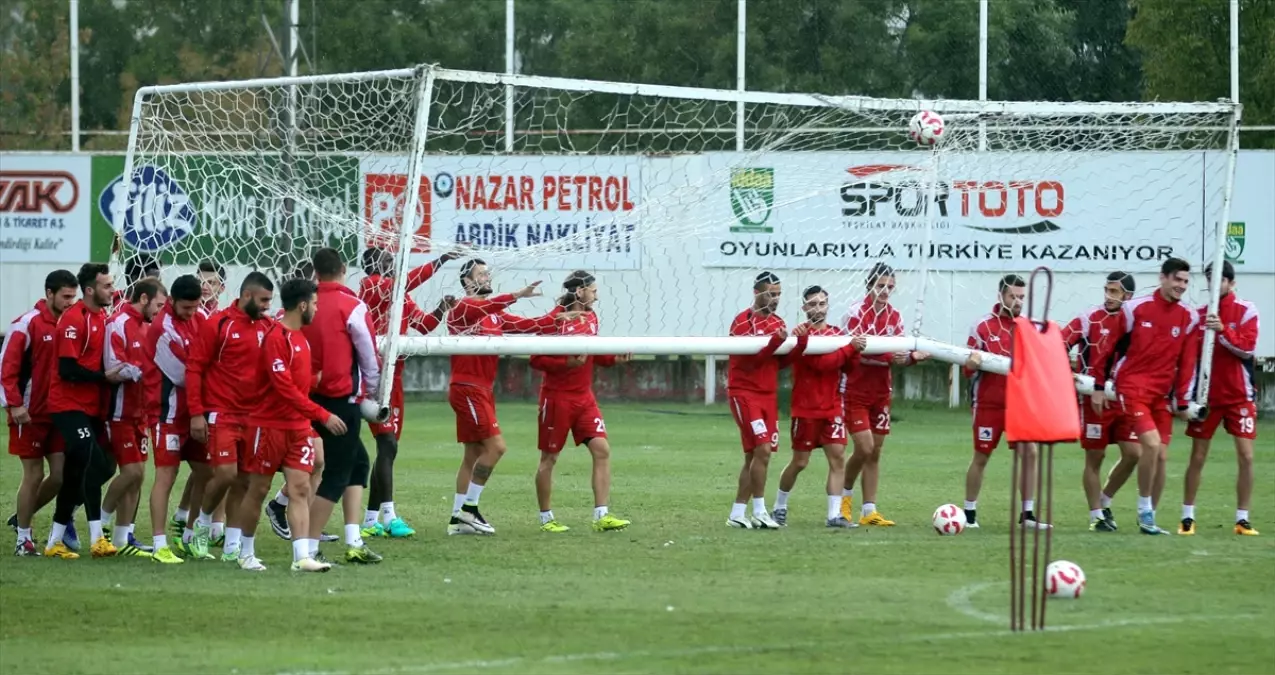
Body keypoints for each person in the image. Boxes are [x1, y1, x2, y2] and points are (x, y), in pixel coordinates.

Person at [445, 258, 565, 535]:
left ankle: (457, 520)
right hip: (467, 389)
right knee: (496, 448)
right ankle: (469, 509)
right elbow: (488, 304)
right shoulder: (463, 308)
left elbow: (533, 325)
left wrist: (562, 311)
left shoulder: (494, 315)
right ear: (467, 282)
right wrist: (516, 295)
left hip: (482, 391)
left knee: (473, 453)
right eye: (481, 274)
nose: (487, 278)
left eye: (488, 273)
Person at [238, 278, 345, 572]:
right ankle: (245, 552)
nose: (316, 308)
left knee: (299, 488)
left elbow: (299, 386)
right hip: (268, 425)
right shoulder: (276, 338)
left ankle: (301, 557)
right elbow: (284, 389)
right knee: (258, 489)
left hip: (297, 427)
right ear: (302, 305)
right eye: (314, 303)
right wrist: (323, 415)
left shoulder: (302, 338)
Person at [356, 246, 460, 539]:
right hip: (375, 377)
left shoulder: (400, 295)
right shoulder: (371, 286)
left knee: (388, 448)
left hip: (396, 376)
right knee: (387, 445)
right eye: (388, 261)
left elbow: (424, 326)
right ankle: (389, 515)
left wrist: (441, 308)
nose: (394, 265)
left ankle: (370, 520)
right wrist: (439, 261)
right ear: (373, 266)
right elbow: (406, 281)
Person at [1091, 257, 1199, 535]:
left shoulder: (1189, 317)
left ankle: (1142, 513)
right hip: (1132, 389)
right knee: (1149, 446)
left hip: (1161, 396)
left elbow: (1187, 362)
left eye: (1186, 281)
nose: (1181, 286)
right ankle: (1144, 512)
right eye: (1177, 279)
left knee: (1160, 457)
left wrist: (1183, 400)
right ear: (1162, 278)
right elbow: (1107, 349)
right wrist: (1100, 387)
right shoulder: (1134, 309)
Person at [528, 271, 632, 533]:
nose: (596, 296)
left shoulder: (592, 317)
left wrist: (613, 359)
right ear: (579, 291)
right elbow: (535, 359)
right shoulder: (555, 320)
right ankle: (546, 518)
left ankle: (602, 515)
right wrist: (566, 363)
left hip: (584, 398)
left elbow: (593, 354)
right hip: (557, 399)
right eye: (593, 291)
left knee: (602, 449)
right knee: (549, 459)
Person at [185, 272, 275, 560]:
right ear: (246, 295)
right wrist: (196, 414)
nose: (266, 307)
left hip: (255, 417)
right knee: (225, 474)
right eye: (263, 300)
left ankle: (232, 546)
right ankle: (201, 525)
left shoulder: (269, 327)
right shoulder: (219, 324)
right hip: (222, 414)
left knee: (245, 482)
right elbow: (195, 368)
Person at [302, 248, 383, 564]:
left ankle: (353, 539)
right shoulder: (352, 305)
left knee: (359, 463)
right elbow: (368, 353)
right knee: (336, 473)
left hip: (308, 397)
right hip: (341, 400)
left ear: (315, 272)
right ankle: (308, 546)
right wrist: (373, 392)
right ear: (343, 269)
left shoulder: (304, 304)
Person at [46, 263, 131, 559]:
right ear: (91, 290)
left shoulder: (100, 315)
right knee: (87, 460)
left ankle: (57, 539)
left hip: (92, 406)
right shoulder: (75, 318)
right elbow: (67, 369)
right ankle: (96, 536)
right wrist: (103, 377)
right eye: (107, 285)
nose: (112, 289)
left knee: (98, 468)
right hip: (67, 404)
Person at [839, 263, 927, 527]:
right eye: (880, 286)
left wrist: (911, 358)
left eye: (889, 287)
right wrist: (893, 356)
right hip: (855, 390)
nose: (885, 291)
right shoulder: (855, 313)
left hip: (881, 392)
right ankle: (843, 501)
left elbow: (897, 353)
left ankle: (869, 511)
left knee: (875, 452)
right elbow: (859, 350)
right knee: (863, 447)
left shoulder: (895, 317)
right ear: (869, 285)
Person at [772, 286, 865, 528]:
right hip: (806, 410)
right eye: (812, 304)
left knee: (838, 460)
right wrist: (850, 349)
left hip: (832, 409)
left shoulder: (837, 334)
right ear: (804, 308)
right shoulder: (800, 335)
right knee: (800, 462)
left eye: (822, 303)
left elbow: (848, 368)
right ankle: (779, 506)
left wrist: (854, 352)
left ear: (827, 306)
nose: (818, 308)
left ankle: (834, 515)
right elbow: (823, 364)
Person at [961, 274, 1049, 530]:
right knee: (982, 456)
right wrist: (971, 364)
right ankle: (969, 514)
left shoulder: (1028, 328)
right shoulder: (982, 326)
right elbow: (967, 369)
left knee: (1030, 452)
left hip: (1019, 405)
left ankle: (1027, 515)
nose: (1018, 301)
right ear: (1001, 295)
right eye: (1013, 296)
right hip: (988, 405)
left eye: (1022, 297)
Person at [1181, 261, 1259, 536]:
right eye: (1210, 279)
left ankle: (1242, 518)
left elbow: (1247, 349)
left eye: (1220, 280)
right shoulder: (1198, 316)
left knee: (1246, 457)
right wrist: (1186, 396)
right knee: (1198, 456)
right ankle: (1187, 517)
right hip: (1207, 398)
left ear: (1231, 282)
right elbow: (1189, 359)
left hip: (1239, 397)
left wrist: (1223, 330)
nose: (1215, 285)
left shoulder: (1246, 310)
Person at [3, 270, 78, 555]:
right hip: (29, 413)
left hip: (58, 413)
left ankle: (21, 517)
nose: (71, 302)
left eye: (74, 296)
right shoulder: (25, 324)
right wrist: (15, 405)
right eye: (65, 296)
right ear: (49, 293)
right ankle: (24, 537)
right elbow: (6, 369)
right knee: (33, 475)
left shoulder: (70, 323)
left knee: (59, 476)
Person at [1061, 271, 1138, 532]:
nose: (1108, 296)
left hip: (1123, 399)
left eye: (1114, 291)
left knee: (1134, 453)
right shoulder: (1089, 317)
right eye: (1107, 290)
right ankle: (1096, 516)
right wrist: (1071, 372)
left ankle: (1104, 502)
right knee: (1096, 457)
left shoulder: (1136, 322)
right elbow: (1061, 340)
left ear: (1128, 296)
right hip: (1093, 399)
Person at [726, 271, 803, 530]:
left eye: (779, 294)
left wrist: (800, 343)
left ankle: (737, 513)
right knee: (763, 450)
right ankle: (759, 510)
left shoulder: (778, 323)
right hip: (744, 393)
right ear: (757, 293)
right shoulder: (741, 323)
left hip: (767, 396)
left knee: (754, 457)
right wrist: (774, 343)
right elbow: (749, 364)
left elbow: (778, 363)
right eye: (771, 293)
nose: (776, 299)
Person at [100, 278, 166, 557]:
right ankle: (99, 525)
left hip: (142, 412)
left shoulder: (148, 326)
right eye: (159, 305)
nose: (161, 312)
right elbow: (111, 368)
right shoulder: (118, 323)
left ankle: (122, 537)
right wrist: (136, 370)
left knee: (138, 478)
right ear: (143, 299)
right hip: (120, 412)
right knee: (132, 472)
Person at [145, 274, 205, 564]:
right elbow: (185, 375)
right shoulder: (162, 329)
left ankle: (191, 535)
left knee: (208, 472)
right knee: (165, 478)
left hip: (195, 414)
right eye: (186, 309)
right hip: (167, 415)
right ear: (170, 302)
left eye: (195, 308)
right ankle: (159, 544)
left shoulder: (199, 317)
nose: (191, 313)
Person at [170, 258, 227, 537]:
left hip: (206, 399)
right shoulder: (188, 316)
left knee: (208, 464)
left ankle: (189, 516)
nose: (206, 287)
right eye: (202, 280)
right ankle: (209, 523)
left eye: (212, 282)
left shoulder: (221, 317)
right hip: (185, 402)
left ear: (222, 287)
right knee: (213, 465)